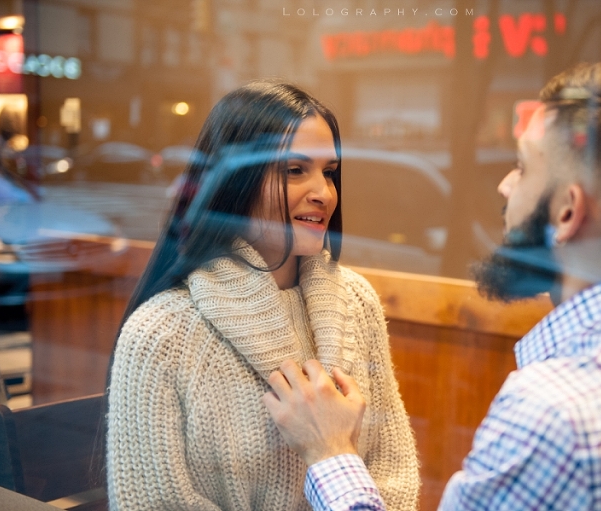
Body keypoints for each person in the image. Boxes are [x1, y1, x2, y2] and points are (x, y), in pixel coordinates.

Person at [263, 62, 601, 510]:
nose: (505, 186)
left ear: (567, 212)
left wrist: (329, 452)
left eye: (523, 167)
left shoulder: (553, 415)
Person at [105, 81, 420, 510]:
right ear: (236, 182)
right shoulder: (160, 334)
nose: (324, 193)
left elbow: (394, 476)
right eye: (295, 170)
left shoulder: (357, 302)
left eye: (329, 172)